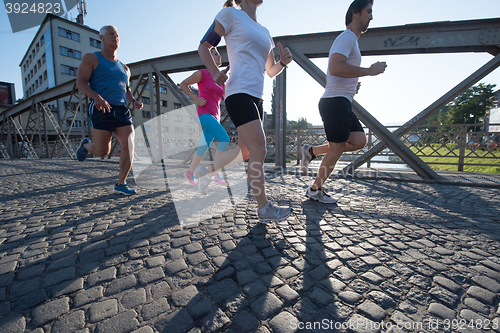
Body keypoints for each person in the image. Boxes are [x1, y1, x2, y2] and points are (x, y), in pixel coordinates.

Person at [195, 0, 293, 223]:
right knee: (259, 148)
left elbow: (269, 71)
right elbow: (203, 46)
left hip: (256, 97)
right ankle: (264, 207)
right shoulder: (230, 14)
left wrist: (283, 63)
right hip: (238, 92)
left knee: (246, 152)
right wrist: (214, 71)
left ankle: (205, 174)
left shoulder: (265, 32)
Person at [301, 0, 387, 203]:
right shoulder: (347, 37)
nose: (371, 17)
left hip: (341, 100)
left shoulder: (351, 41)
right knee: (337, 148)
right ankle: (315, 189)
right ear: (355, 13)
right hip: (335, 102)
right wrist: (368, 71)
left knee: (359, 141)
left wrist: (350, 85)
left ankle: (310, 151)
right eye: (368, 11)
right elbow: (334, 68)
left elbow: (335, 75)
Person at [75, 25, 143, 196]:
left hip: (121, 110)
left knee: (129, 146)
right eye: (111, 34)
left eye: (117, 35)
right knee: (102, 152)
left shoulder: (125, 68)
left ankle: (121, 183)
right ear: (101, 38)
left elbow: (126, 89)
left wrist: (133, 101)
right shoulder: (92, 58)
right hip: (101, 109)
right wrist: (96, 97)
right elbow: (81, 82)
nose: (115, 37)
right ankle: (85, 145)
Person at [179, 47, 230, 187]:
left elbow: (227, 96)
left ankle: (190, 173)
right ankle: (215, 172)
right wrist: (196, 98)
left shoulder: (220, 79)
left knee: (203, 146)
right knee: (225, 139)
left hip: (215, 116)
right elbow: (183, 84)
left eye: (220, 55)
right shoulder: (202, 73)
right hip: (205, 114)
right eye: (216, 54)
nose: (220, 56)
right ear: (208, 57)